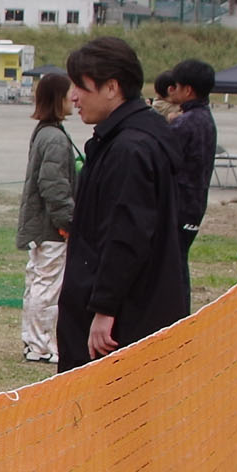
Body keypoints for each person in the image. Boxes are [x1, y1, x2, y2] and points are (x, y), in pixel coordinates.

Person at [56, 37, 187, 372]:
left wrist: (104, 309)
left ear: (111, 87)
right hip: (135, 307)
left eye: (82, 88)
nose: (74, 97)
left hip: (124, 319)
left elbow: (127, 234)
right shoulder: (128, 139)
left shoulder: (130, 149)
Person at [16, 71, 78, 364]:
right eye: (69, 94)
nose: (74, 100)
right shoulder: (53, 137)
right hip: (51, 228)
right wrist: (67, 221)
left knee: (38, 281)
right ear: (58, 99)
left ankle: (34, 342)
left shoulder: (45, 131)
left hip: (41, 225)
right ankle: (40, 345)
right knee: (47, 285)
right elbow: (53, 186)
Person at [163, 58, 218, 264]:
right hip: (196, 203)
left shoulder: (184, 124)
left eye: (175, 86)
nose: (172, 91)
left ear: (187, 90)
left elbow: (164, 160)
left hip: (179, 205)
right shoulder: (205, 118)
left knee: (173, 264)